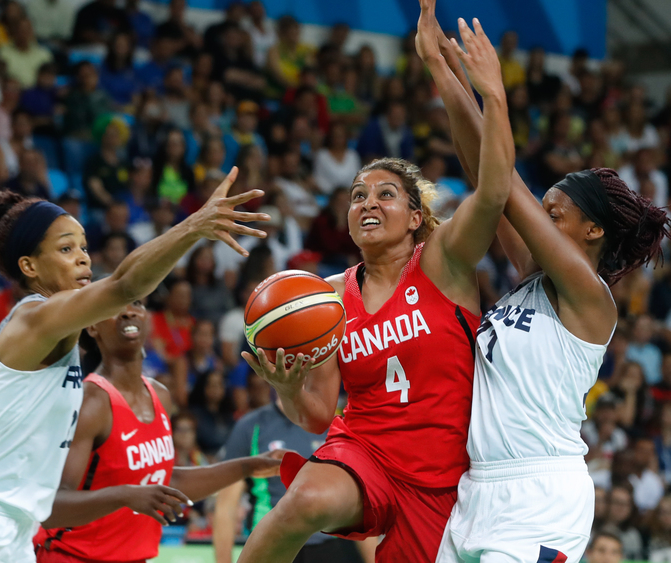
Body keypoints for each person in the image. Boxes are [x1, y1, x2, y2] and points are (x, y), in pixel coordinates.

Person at [238, 8, 515, 561]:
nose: (368, 202)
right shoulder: (326, 297)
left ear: (415, 217)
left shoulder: (445, 261)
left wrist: (489, 93)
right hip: (363, 452)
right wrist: (287, 388)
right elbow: (318, 415)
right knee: (303, 501)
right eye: (357, 196)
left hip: (443, 479)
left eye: (385, 194)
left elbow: (493, 190)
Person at [414, 2, 670, 563]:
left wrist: (495, 95)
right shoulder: (532, 275)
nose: (540, 218)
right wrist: (439, 67)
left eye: (554, 213)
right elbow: (489, 178)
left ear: (593, 230)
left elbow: (506, 184)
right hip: (477, 489)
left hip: (541, 496)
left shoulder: (590, 296)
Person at [0, 167, 269, 563]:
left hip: (12, 532)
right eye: (66, 249)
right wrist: (193, 227)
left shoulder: (16, 334)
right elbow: (124, 285)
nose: (83, 258)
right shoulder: (37, 318)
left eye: (84, 247)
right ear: (29, 267)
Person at [33, 300, 283, 562]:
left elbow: (166, 483)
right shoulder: (90, 402)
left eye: (136, 303)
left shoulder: (159, 395)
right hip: (73, 556)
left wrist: (248, 466)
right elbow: (52, 509)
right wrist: (124, 495)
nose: (128, 312)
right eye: (116, 306)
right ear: (93, 327)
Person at [214, 396, 373, 563]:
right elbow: (225, 507)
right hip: (272, 544)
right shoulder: (251, 427)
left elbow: (361, 501)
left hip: (330, 546)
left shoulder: (336, 426)